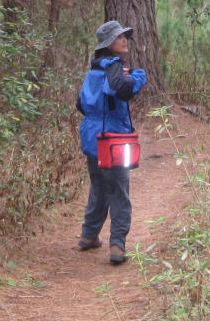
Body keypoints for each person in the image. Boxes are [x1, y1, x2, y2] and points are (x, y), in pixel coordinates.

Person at [76, 20, 147, 264]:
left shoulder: (93, 70)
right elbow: (123, 90)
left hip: (90, 136)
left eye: (125, 36)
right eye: (119, 37)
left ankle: (88, 236)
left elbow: (79, 104)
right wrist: (138, 77)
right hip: (113, 139)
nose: (125, 40)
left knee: (98, 185)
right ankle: (117, 245)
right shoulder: (114, 67)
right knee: (118, 190)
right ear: (109, 45)